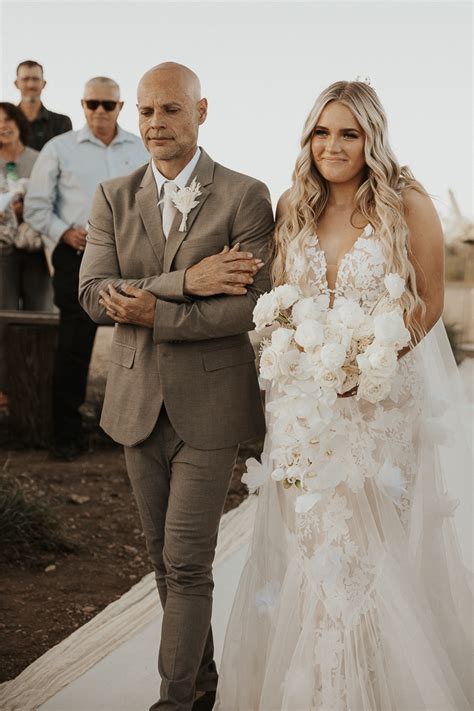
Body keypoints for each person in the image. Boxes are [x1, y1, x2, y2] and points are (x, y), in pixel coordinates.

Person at [216, 81, 473, 710]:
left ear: (371, 139)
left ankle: (370, 686)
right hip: (301, 408)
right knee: (308, 543)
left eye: (349, 133)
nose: (333, 145)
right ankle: (321, 682)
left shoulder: (407, 202)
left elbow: (429, 302)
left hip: (379, 407)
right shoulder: (291, 205)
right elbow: (282, 302)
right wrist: (290, 358)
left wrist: (368, 364)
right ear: (308, 138)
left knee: (367, 546)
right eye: (322, 132)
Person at [78, 62, 273, 711]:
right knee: (162, 558)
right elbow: (91, 294)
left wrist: (151, 309)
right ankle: (203, 678)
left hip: (213, 406)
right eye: (146, 112)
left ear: (201, 110)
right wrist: (184, 284)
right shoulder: (111, 195)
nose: (156, 124)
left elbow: (250, 306)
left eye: (170, 110)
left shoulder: (246, 195)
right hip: (135, 403)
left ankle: (174, 698)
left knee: (187, 559)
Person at [24, 76, 149, 460]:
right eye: (92, 103)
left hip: (132, 256)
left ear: (120, 108)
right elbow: (36, 206)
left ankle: (130, 431)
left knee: (138, 341)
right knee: (74, 345)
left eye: (107, 105)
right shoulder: (59, 148)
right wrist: (64, 233)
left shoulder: (142, 148)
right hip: (77, 255)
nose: (99, 111)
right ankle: (64, 436)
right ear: (82, 105)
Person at [0, 102, 54, 410]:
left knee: (40, 316)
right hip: (2, 250)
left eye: (7, 119)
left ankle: (38, 388)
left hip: (36, 250)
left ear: (19, 123)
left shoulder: (40, 160)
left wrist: (28, 209)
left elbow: (53, 197)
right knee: (3, 317)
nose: (2, 126)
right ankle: (5, 390)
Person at [15, 60, 72, 151]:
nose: (31, 85)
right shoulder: (5, 122)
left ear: (44, 83)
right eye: (25, 79)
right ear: (16, 84)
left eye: (35, 79)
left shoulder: (61, 123)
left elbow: (67, 157)